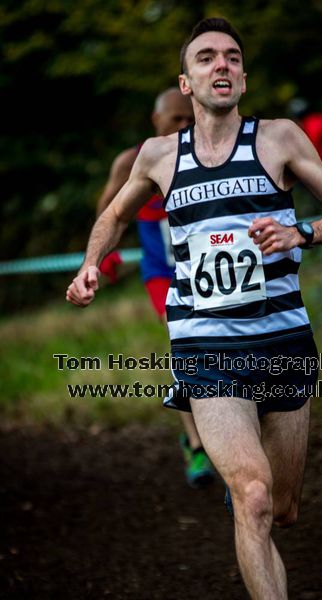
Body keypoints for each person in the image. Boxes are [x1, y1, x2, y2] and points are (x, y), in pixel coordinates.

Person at [66, 17, 322, 599]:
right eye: (206, 57)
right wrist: (90, 264)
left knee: (281, 509)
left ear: (244, 78)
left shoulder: (278, 138)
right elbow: (114, 216)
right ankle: (241, 481)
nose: (221, 64)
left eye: (231, 57)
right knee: (253, 500)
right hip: (206, 347)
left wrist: (299, 232)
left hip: (283, 343)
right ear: (186, 82)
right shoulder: (157, 155)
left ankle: (246, 481)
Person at [96, 88, 215, 489]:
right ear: (156, 121)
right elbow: (108, 210)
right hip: (161, 273)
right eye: (176, 120)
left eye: (189, 120)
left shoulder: (208, 152)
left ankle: (226, 424)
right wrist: (101, 256)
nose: (184, 126)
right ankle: (197, 443)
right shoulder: (132, 162)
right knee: (183, 342)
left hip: (206, 270)